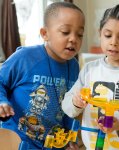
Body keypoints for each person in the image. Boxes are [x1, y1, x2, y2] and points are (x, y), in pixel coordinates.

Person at [62, 4, 119, 150]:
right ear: (100, 34)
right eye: (108, 35)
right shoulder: (89, 69)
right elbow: (67, 106)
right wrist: (75, 103)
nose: (113, 42)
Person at [0, 2, 84, 149]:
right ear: (45, 34)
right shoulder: (25, 57)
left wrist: (69, 138)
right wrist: (2, 101)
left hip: (51, 144)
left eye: (80, 34)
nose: (73, 39)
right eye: (65, 32)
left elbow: (70, 108)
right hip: (16, 141)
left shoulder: (75, 67)